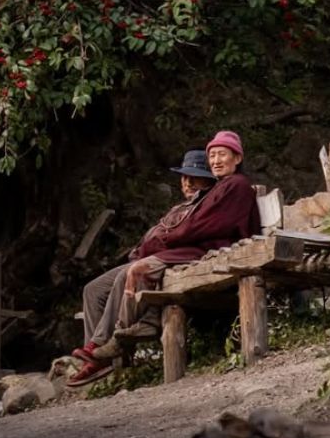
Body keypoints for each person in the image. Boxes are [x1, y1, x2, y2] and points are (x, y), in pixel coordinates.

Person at [67, 130, 260, 386]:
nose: (216, 160)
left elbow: (204, 227)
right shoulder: (210, 193)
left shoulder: (235, 185)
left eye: (221, 155)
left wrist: (166, 239)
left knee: (134, 271)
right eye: (212, 155)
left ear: (237, 157)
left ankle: (109, 343)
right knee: (94, 289)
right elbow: (177, 228)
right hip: (174, 250)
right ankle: (97, 352)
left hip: (204, 253)